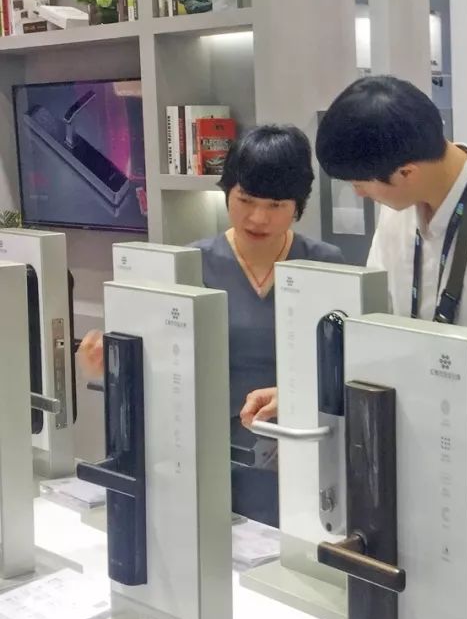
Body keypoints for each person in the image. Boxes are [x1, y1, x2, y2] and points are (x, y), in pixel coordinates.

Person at [245, 75, 467, 611]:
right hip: (417, 450)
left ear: (405, 171)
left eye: (362, 183)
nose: (359, 194)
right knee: (424, 612)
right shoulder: (398, 215)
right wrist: (301, 395)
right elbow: (377, 332)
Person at [78, 125, 343, 525]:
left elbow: (345, 368)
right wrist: (110, 366)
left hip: (305, 452)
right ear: (227, 192)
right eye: (245, 199)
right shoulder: (189, 265)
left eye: (276, 204)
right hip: (209, 455)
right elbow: (160, 366)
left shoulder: (325, 265)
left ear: (298, 204)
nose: (258, 217)